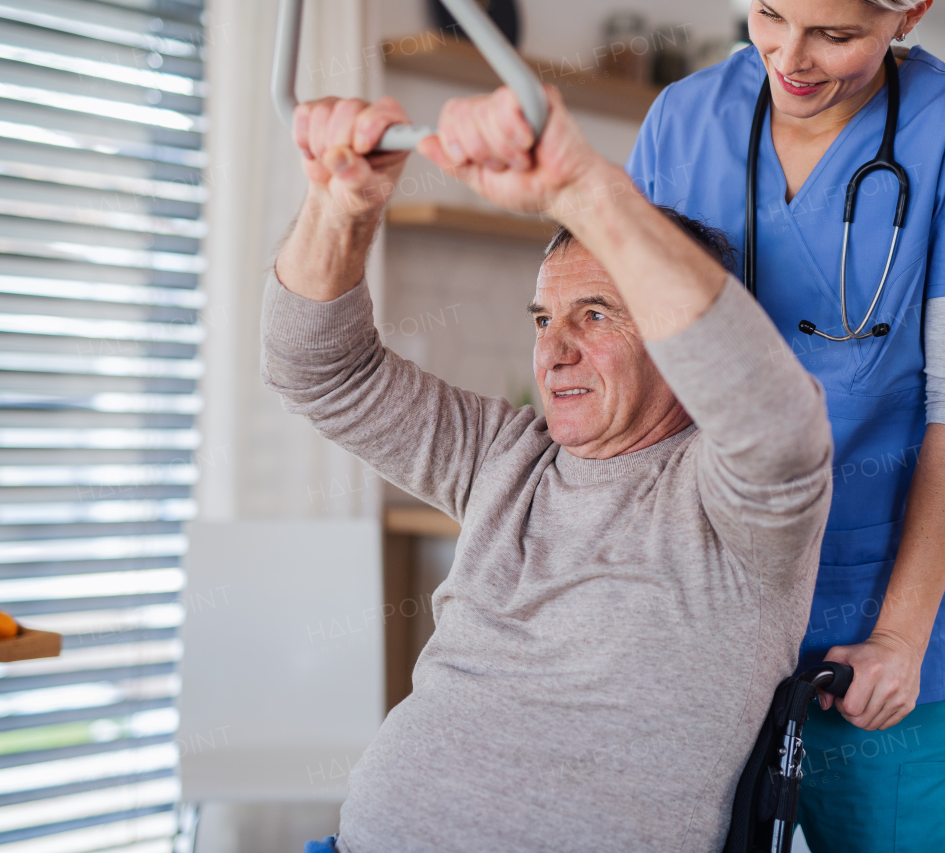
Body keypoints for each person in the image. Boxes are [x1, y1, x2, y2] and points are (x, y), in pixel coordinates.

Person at [265, 86, 833, 852]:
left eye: (594, 314)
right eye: (543, 318)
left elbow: (777, 421)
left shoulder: (732, 508)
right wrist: (342, 206)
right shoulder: (507, 456)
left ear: (673, 335)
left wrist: (585, 188)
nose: (553, 349)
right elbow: (317, 371)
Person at [624, 1, 945, 850]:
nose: (790, 57)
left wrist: (898, 635)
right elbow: (642, 356)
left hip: (882, 623)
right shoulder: (682, 120)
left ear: (910, 14)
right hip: (704, 615)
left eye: (835, 34)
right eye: (771, 13)